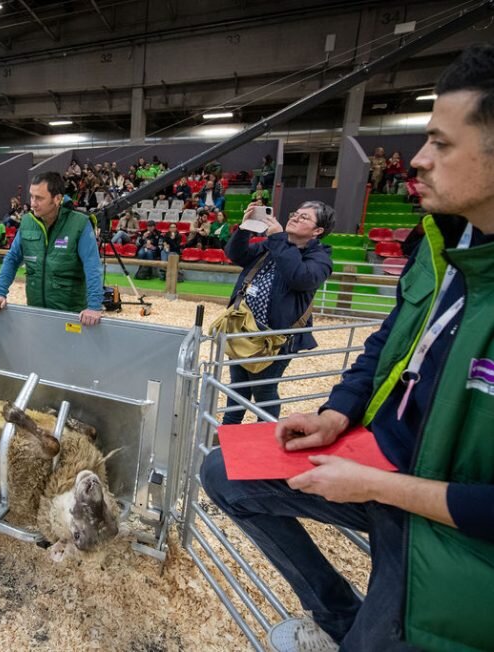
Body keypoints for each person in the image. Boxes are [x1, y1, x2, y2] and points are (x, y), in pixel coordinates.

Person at [201, 44, 494, 651]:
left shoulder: (316, 254)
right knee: (222, 468)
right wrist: (338, 413)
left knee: (257, 393)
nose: (416, 160)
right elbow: (389, 343)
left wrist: (376, 487)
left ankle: (360, 632)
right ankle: (339, 617)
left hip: (435, 510)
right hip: (377, 453)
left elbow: (303, 280)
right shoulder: (444, 244)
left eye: (440, 143)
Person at [220, 200, 334, 425]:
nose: (294, 218)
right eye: (295, 213)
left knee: (264, 391)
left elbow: (299, 277)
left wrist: (279, 239)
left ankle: (264, 440)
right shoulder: (272, 244)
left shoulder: (319, 258)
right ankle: (228, 434)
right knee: (237, 389)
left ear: (318, 231)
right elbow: (236, 255)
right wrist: (246, 228)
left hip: (276, 339)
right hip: (243, 329)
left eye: (304, 218)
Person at [0, 171, 103, 326]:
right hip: (36, 312)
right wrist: (0, 292)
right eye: (32, 196)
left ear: (57, 199)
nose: (33, 203)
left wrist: (94, 307)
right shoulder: (27, 222)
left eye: (40, 198)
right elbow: (13, 258)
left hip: (71, 316)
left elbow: (92, 266)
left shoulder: (80, 224)